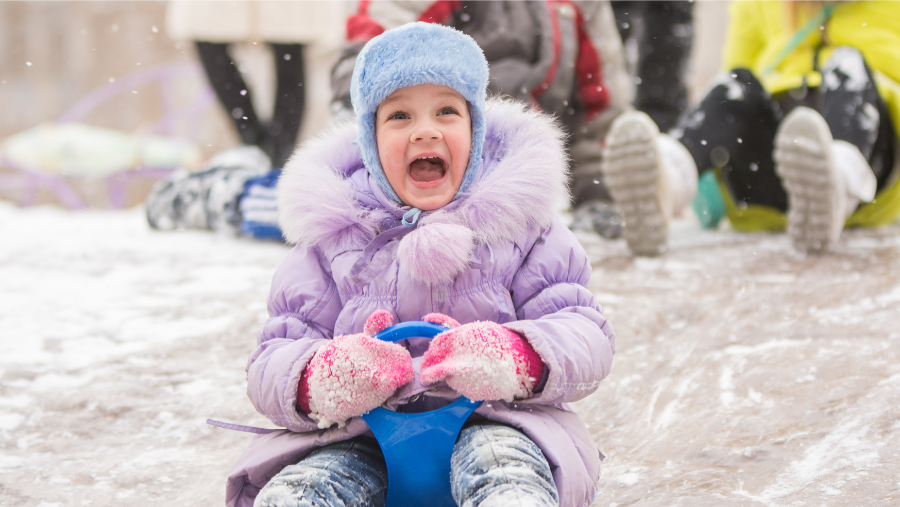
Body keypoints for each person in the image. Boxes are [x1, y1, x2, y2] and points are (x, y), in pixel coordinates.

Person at [224, 23, 616, 507]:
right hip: (358, 434)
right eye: (400, 115)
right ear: (369, 141)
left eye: (447, 111)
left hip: (497, 421)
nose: (425, 129)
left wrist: (518, 356)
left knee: (506, 471)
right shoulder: (331, 239)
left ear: (475, 130)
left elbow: (584, 331)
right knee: (307, 489)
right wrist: (319, 378)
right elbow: (272, 357)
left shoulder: (524, 229)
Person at [601, 0, 900, 255]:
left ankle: (838, 186)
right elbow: (738, 66)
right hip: (779, 162)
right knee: (736, 84)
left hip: (870, 163)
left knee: (846, 65)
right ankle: (667, 184)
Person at [329, 1, 635, 240]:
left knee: (636, 140)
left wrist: (599, 190)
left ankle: (663, 176)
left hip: (527, 161)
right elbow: (380, 41)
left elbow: (600, 100)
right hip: (454, 148)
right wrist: (357, 99)